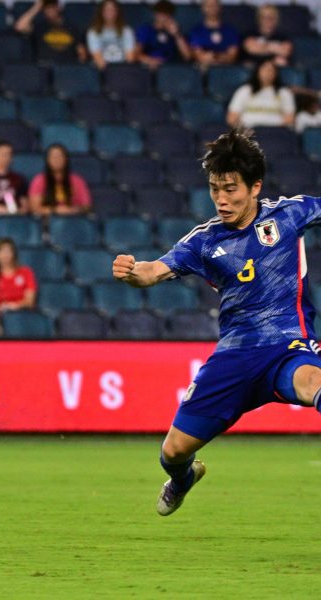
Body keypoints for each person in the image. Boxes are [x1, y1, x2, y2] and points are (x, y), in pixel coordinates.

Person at [112, 128, 321, 517]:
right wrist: (131, 273)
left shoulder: (290, 214)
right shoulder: (205, 242)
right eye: (214, 189)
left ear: (255, 186)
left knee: (316, 383)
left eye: (231, 189)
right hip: (235, 357)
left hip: (289, 345)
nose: (221, 200)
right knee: (173, 452)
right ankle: (182, 479)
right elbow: (154, 271)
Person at [226, 59, 295, 128]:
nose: (267, 73)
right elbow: (231, 118)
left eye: (271, 70)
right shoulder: (244, 90)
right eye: (264, 69)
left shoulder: (284, 92)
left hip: (275, 132)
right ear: (257, 71)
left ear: (276, 74)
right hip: (248, 131)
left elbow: (290, 119)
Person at [14, 0, 88, 64]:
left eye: (52, 7)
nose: (49, 11)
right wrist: (37, 7)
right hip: (44, 68)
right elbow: (20, 27)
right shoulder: (39, 27)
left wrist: (75, 68)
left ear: (58, 8)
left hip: (65, 67)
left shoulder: (72, 27)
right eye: (46, 8)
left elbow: (81, 52)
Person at [28, 144, 92, 215]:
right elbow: (35, 209)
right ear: (47, 160)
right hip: (48, 222)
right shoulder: (39, 180)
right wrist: (56, 211)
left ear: (66, 159)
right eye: (53, 157)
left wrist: (71, 210)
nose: (56, 159)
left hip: (72, 219)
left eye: (59, 156)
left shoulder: (78, 181)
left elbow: (87, 206)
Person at [0, 238, 37, 314]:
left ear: (14, 253)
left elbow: (30, 300)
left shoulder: (26, 272)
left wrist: (14, 306)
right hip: (0, 315)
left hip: (22, 314)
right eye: (1, 251)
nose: (5, 255)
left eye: (8, 251)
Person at [135, 0, 192, 69]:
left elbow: (187, 56)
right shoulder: (146, 30)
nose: (163, 18)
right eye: (160, 14)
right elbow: (136, 54)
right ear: (155, 14)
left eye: (167, 15)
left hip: (169, 69)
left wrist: (177, 35)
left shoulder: (176, 31)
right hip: (149, 68)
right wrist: (150, 60)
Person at [87, 0, 136, 70]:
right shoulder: (93, 31)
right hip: (100, 71)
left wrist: (121, 72)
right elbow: (97, 58)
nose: (109, 12)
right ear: (101, 12)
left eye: (112, 9)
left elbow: (130, 58)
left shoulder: (127, 31)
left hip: (123, 71)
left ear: (117, 12)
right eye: (106, 10)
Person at [189, 0, 239, 67]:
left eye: (214, 5)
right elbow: (199, 56)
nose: (212, 8)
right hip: (204, 70)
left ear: (220, 7)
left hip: (226, 70)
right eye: (208, 5)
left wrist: (217, 57)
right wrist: (218, 57)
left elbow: (232, 57)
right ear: (203, 8)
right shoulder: (196, 31)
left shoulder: (231, 31)